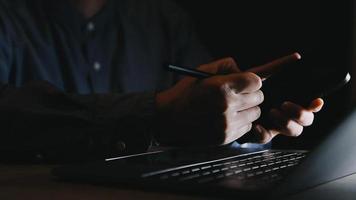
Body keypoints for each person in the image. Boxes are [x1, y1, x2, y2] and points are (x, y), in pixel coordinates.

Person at [0, 0, 323, 162]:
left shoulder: (160, 17)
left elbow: (203, 104)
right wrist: (157, 114)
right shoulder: (10, 15)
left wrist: (241, 122)